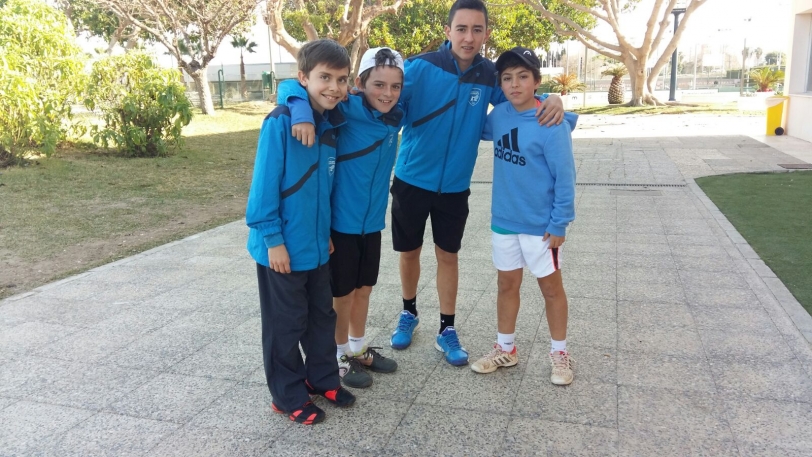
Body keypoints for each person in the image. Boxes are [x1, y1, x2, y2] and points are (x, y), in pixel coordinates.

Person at [387, 0, 566, 366]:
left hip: (454, 187)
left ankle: (446, 329)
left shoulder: (489, 75)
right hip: (411, 179)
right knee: (409, 252)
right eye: (462, 29)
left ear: (485, 33)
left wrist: (554, 100)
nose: (469, 37)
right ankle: (408, 312)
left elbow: (522, 100)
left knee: (447, 256)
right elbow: (384, 98)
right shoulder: (421, 67)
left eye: (477, 30)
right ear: (448, 31)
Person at [276, 47, 405, 389]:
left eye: (395, 87)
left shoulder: (396, 116)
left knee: (365, 289)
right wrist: (300, 109)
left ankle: (358, 346)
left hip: (372, 224)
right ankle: (337, 355)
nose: (387, 93)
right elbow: (291, 85)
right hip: (341, 225)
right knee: (342, 295)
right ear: (359, 84)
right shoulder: (344, 108)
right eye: (378, 85)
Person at [245, 39, 356, 426]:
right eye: (324, 77)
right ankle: (286, 395)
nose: (334, 87)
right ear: (303, 78)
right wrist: (272, 239)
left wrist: (323, 232)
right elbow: (263, 187)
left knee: (320, 317)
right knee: (285, 325)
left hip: (315, 246)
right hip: (281, 250)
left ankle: (321, 377)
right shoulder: (281, 121)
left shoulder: (331, 123)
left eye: (341, 79)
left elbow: (322, 189)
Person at [470, 47, 577, 385]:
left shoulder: (550, 121)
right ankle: (506, 348)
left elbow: (565, 178)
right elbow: (474, 128)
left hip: (541, 228)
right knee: (506, 284)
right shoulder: (498, 115)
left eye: (522, 77)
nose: (514, 84)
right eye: (506, 78)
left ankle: (559, 353)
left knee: (550, 289)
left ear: (536, 81)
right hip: (504, 221)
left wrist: (559, 223)